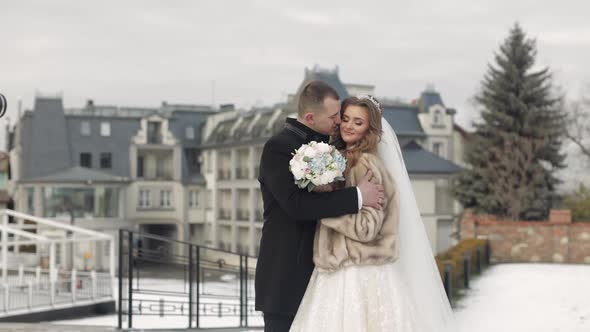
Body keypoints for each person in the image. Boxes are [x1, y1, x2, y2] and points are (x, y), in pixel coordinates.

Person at [290, 96, 457, 332]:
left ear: (370, 128)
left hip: (359, 275)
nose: (348, 126)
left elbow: (367, 227)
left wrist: (323, 211)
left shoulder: (366, 164)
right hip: (338, 271)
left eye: (358, 122)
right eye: (346, 119)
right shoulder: (341, 160)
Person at [255, 81, 385, 332]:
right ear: (311, 117)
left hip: (326, 277)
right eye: (334, 116)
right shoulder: (278, 147)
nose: (339, 121)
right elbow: (295, 205)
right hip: (286, 275)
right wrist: (357, 196)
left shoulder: (332, 146)